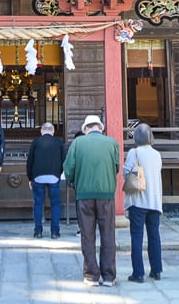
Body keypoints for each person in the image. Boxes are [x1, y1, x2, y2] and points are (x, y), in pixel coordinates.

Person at [63, 114, 119, 287]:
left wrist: (74, 180)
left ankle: (91, 275)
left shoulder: (78, 143)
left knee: (87, 235)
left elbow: (68, 168)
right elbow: (116, 166)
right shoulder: (112, 143)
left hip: (84, 195)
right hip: (106, 195)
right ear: (100, 127)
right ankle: (109, 276)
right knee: (108, 234)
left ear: (86, 128)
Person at [123, 122, 163, 283]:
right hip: (154, 200)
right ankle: (156, 270)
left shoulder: (135, 152)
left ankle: (138, 273)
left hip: (138, 200)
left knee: (137, 236)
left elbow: (126, 172)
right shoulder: (157, 154)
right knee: (154, 235)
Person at [26, 122, 65, 239]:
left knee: (38, 203)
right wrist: (59, 174)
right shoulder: (58, 143)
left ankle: (38, 231)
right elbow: (64, 160)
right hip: (54, 176)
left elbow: (30, 161)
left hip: (38, 176)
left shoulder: (36, 142)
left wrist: (30, 177)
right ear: (53, 131)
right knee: (56, 204)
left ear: (41, 131)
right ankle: (55, 231)